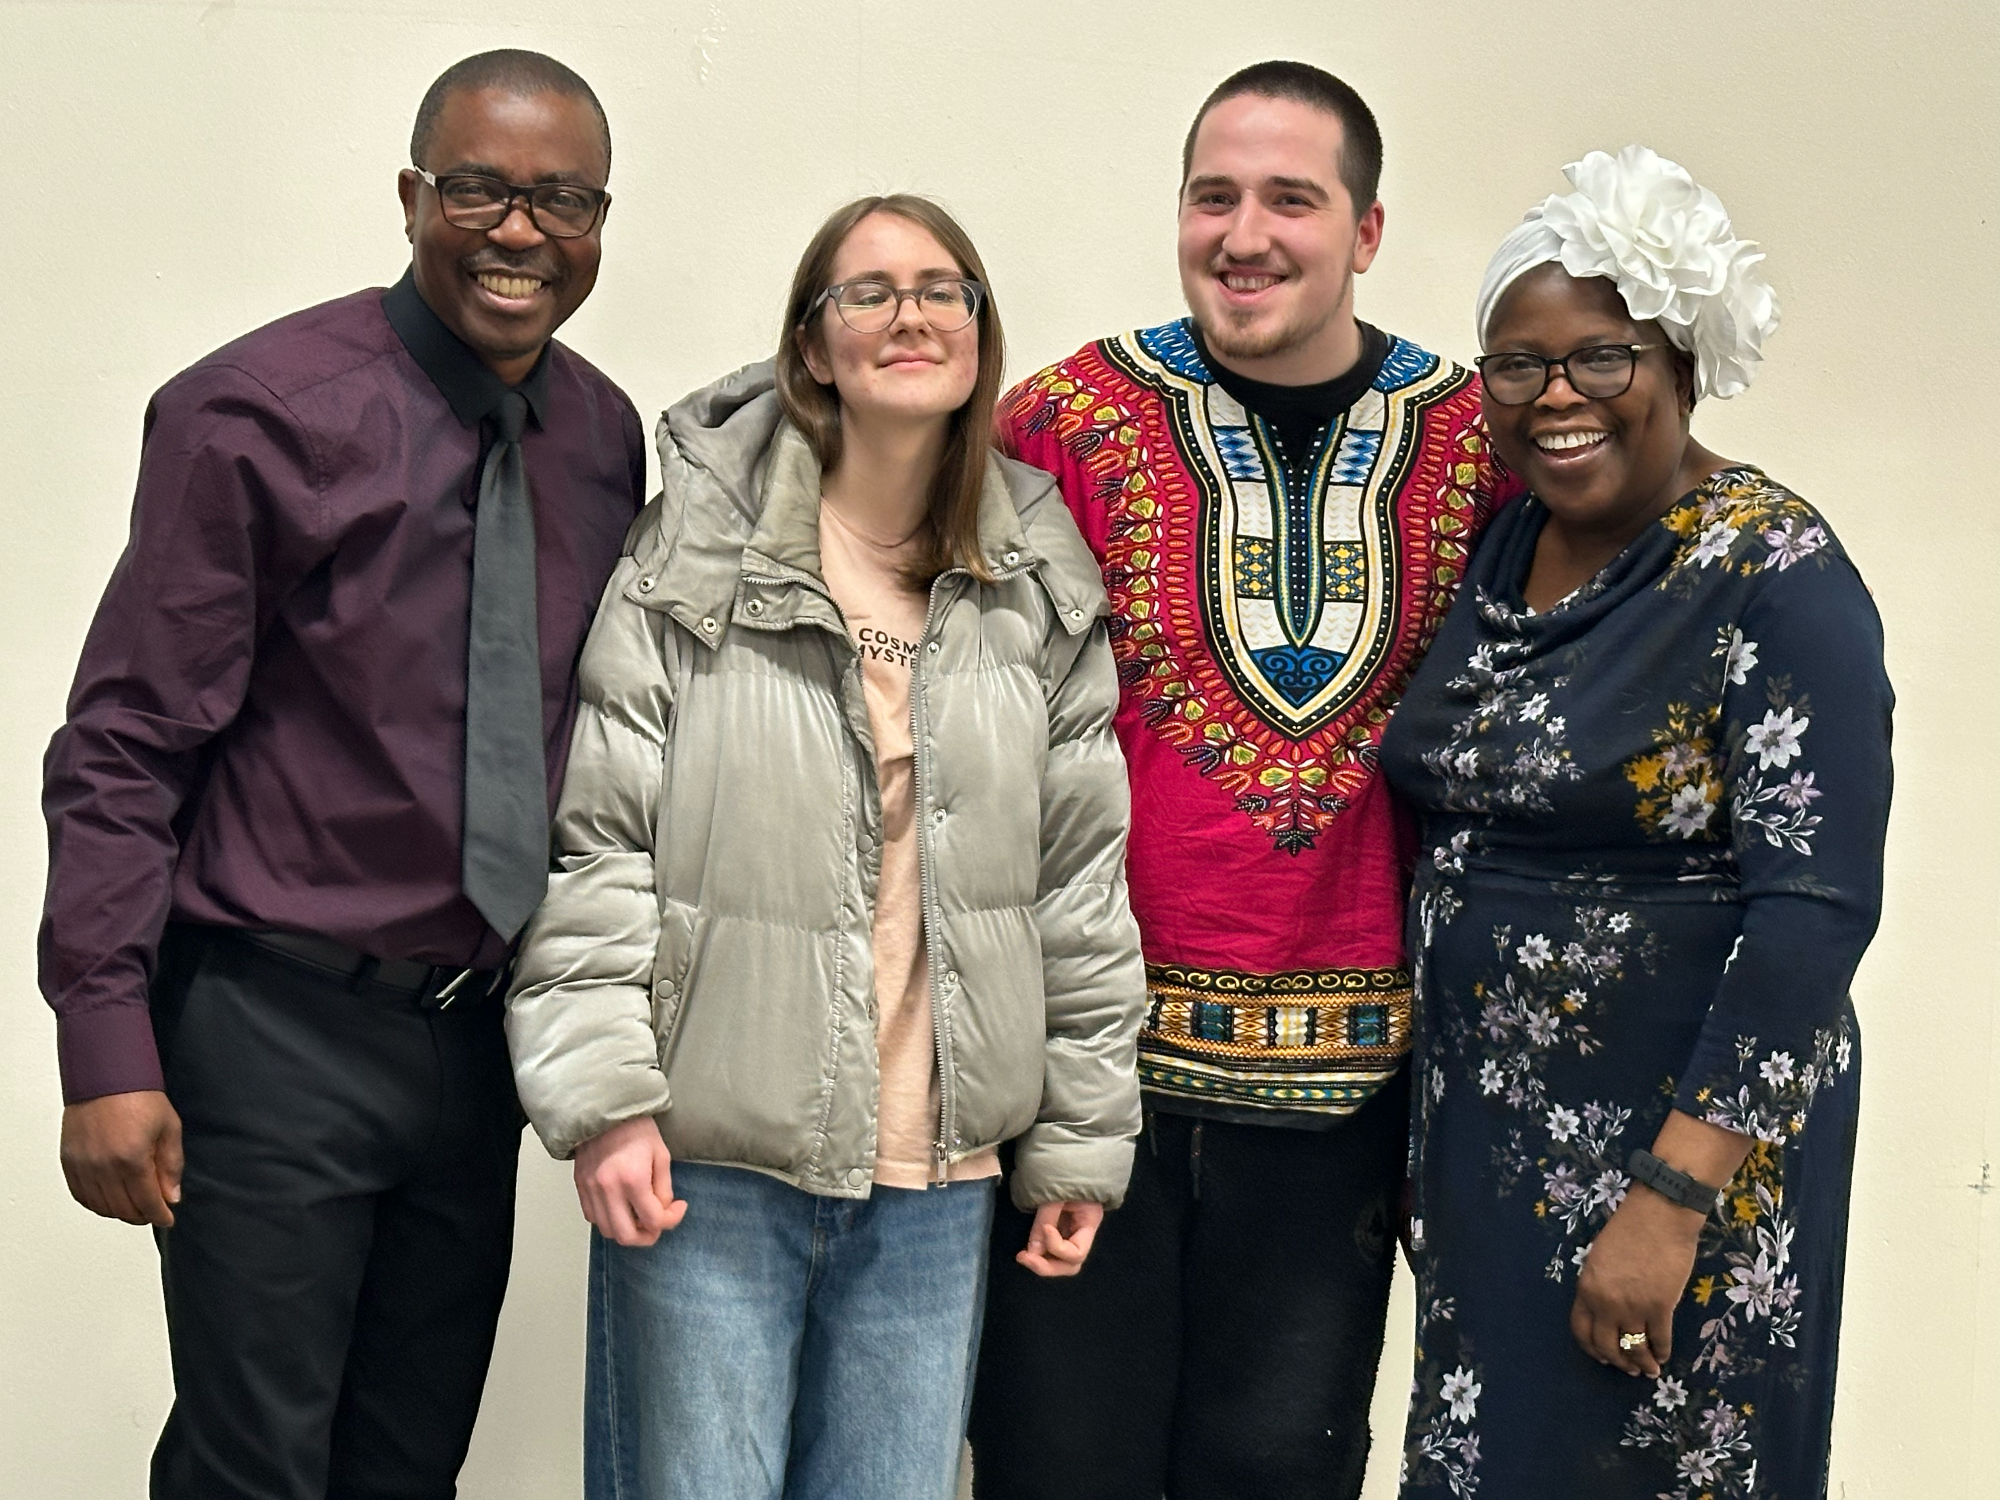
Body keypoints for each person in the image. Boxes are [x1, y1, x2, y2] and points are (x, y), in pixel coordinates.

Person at [40, 50, 644, 1500]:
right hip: (272, 1029)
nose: (519, 232)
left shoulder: (604, 439)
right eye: (480, 190)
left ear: (599, 222)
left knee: (406, 1464)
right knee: (254, 1468)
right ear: (413, 197)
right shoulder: (258, 413)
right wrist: (105, 1046)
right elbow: (124, 742)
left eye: (561, 200)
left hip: (478, 1042)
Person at [502, 192, 1145, 1500]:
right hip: (709, 1166)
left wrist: (1081, 1136)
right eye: (869, 291)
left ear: (978, 332)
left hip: (937, 1182)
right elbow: (602, 842)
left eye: (943, 289)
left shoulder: (1035, 576)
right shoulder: (697, 550)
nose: (910, 315)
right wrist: (605, 1103)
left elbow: (1077, 883)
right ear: (812, 344)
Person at [969, 61, 1511, 1499]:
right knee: (1054, 1468)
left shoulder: (1479, 447)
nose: (1246, 235)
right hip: (1082, 1081)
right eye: (1214, 197)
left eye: (1292, 200)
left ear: (1368, 231)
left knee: (1280, 1472)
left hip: (1343, 1102)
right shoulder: (1066, 423)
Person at [1379, 146, 1891, 1496]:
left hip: (1678, 1160)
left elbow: (1814, 917)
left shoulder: (1774, 571)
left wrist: (1669, 1203)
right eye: (1517, 366)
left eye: (1601, 358)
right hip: (1494, 1149)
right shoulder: (1502, 547)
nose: (1557, 395)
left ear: (1682, 364)